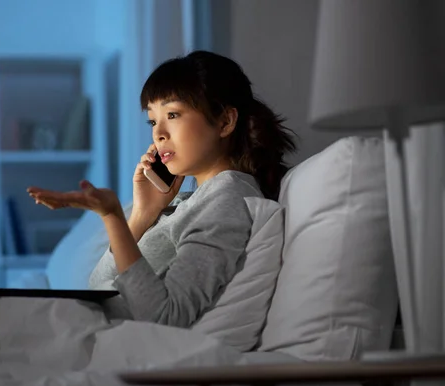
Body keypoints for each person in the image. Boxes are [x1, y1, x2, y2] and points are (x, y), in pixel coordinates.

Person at [27, 50, 296, 328]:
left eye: (173, 114)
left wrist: (112, 217)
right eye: (153, 120)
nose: (158, 133)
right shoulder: (191, 201)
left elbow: (166, 315)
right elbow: (97, 286)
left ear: (225, 121)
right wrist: (143, 215)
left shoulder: (225, 200)